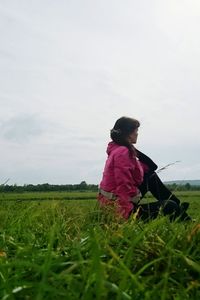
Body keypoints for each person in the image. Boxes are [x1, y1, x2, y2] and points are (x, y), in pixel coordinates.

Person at [98, 116, 191, 221]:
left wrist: (130, 146)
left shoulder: (118, 149)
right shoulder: (122, 153)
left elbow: (152, 166)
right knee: (169, 206)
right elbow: (123, 185)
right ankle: (183, 215)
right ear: (128, 133)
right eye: (136, 130)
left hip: (112, 204)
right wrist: (124, 215)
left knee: (150, 176)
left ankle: (178, 208)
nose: (137, 134)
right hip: (118, 209)